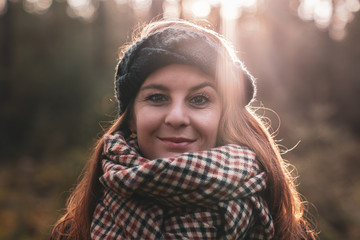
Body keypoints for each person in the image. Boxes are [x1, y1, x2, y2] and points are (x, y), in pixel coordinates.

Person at [51, 19, 317, 239]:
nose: (176, 117)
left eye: (199, 99)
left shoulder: (283, 229)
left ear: (223, 116)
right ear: (132, 117)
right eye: (157, 97)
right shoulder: (75, 231)